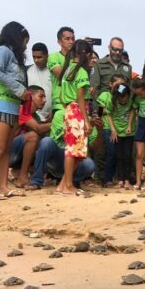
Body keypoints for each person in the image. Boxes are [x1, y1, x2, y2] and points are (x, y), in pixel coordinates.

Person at [0, 22, 30, 201]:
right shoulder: (2, 50)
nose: (25, 45)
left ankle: (3, 186)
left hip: (12, 106)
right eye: (25, 40)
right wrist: (19, 89)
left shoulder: (14, 55)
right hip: (1, 103)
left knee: (7, 149)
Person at [56, 39, 92, 196]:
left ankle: (63, 184)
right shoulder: (81, 71)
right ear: (87, 55)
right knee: (73, 151)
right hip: (77, 111)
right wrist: (86, 120)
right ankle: (68, 185)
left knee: (75, 150)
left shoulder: (67, 69)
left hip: (68, 110)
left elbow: (61, 95)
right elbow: (80, 97)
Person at [28, 110, 97, 191]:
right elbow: (66, 137)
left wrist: (99, 129)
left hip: (75, 160)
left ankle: (72, 182)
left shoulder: (89, 121)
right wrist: (82, 126)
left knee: (89, 164)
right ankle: (36, 181)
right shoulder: (60, 114)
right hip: (58, 157)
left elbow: (95, 147)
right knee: (46, 141)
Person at [10, 86, 50, 189]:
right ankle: (22, 176)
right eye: (41, 96)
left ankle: (21, 171)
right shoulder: (22, 110)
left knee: (45, 142)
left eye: (45, 97)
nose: (44, 100)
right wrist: (58, 122)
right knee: (33, 136)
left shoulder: (36, 116)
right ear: (30, 96)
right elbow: (38, 129)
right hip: (9, 154)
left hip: (18, 155)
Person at [97, 75, 134, 188]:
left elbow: (131, 109)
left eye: (122, 84)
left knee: (122, 154)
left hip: (121, 129)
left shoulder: (125, 97)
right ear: (110, 84)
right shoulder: (105, 95)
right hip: (108, 127)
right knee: (112, 152)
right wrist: (109, 109)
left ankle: (119, 178)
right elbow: (99, 112)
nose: (120, 86)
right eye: (117, 84)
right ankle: (107, 179)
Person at [47, 26, 75, 115]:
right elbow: (61, 75)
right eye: (67, 39)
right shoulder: (53, 57)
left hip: (75, 105)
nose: (71, 41)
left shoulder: (77, 58)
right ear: (59, 42)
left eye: (73, 39)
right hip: (59, 105)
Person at [27, 42, 52, 122]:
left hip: (51, 115)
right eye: (34, 57)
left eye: (39, 57)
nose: (36, 60)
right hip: (32, 117)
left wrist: (54, 112)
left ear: (47, 55)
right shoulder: (27, 71)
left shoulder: (54, 70)